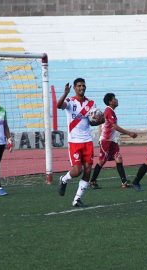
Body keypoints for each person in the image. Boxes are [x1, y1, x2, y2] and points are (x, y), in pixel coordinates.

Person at [57, 78, 103, 207]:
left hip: (87, 141)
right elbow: (58, 106)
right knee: (77, 171)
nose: (81, 88)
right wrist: (65, 93)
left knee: (88, 171)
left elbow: (93, 121)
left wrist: (100, 119)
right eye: (79, 86)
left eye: (83, 85)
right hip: (74, 142)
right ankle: (64, 179)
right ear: (74, 88)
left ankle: (77, 199)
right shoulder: (70, 101)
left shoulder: (91, 104)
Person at [89, 93, 137, 189]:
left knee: (119, 159)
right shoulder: (109, 111)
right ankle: (92, 181)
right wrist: (129, 133)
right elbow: (114, 126)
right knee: (101, 161)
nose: (117, 100)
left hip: (112, 141)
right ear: (111, 101)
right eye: (115, 98)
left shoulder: (110, 111)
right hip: (106, 141)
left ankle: (124, 182)